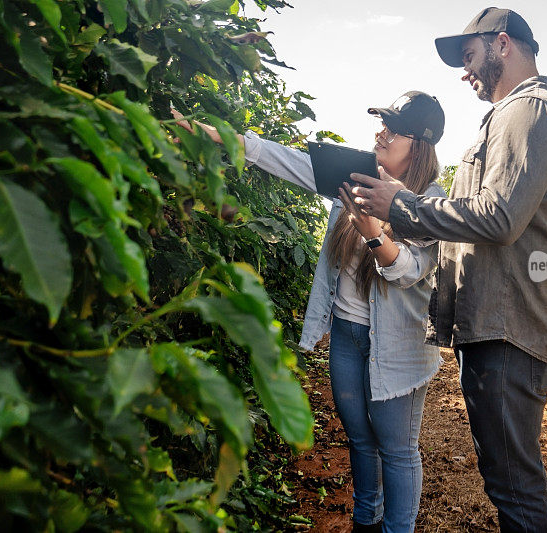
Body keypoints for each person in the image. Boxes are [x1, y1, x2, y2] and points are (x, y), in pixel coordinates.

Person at [348, 8, 547, 533]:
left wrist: (402, 206)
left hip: (511, 327)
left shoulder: (530, 114)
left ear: (503, 44)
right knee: (507, 480)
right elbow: (471, 221)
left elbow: (498, 218)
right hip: (496, 327)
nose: (464, 70)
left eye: (470, 55)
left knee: (514, 487)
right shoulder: (506, 118)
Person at [173, 91, 446, 533]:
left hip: (399, 343)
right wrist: (215, 134)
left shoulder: (432, 201)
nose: (381, 133)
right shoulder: (352, 175)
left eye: (393, 129)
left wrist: (376, 235)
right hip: (346, 333)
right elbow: (280, 158)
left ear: (419, 144)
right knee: (360, 439)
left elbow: (411, 271)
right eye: (382, 123)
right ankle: (365, 521)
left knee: (397, 449)